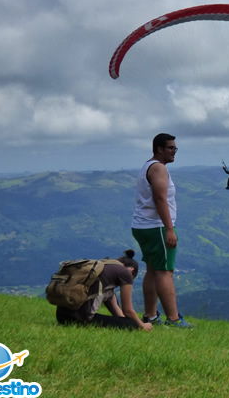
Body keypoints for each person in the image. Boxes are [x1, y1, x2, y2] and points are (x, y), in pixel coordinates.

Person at [131, 133, 192, 328]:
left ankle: (150, 316)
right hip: (156, 227)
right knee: (165, 272)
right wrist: (169, 229)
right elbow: (160, 199)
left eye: (175, 148)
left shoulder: (147, 166)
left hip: (143, 226)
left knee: (152, 270)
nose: (175, 151)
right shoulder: (158, 168)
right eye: (171, 148)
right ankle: (173, 319)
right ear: (159, 149)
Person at [55, 250, 153, 331]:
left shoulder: (103, 268)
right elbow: (128, 311)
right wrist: (142, 325)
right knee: (132, 325)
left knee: (128, 322)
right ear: (131, 270)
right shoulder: (125, 273)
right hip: (81, 319)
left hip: (61, 316)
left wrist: (127, 320)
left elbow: (118, 313)